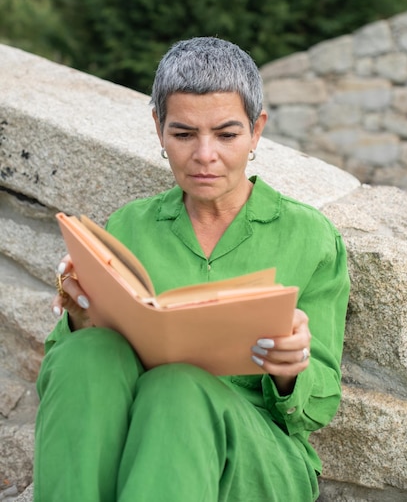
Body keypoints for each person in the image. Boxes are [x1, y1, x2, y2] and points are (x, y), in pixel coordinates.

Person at [34, 36, 350, 502]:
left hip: (257, 453)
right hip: (138, 436)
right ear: (159, 127)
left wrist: (290, 370)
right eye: (183, 135)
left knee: (177, 386)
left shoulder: (310, 237)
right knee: (84, 355)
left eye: (226, 134)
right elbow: (61, 378)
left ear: (257, 130)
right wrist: (81, 313)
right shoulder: (129, 225)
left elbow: (319, 407)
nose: (205, 155)